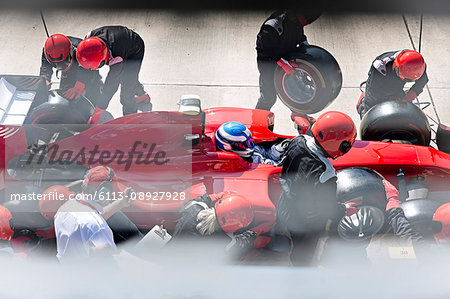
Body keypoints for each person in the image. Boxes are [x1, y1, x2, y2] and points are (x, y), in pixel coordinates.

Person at [276, 111, 357, 266]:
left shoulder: (298, 141)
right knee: (303, 255)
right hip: (305, 225)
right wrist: (343, 210)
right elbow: (326, 208)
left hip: (285, 206)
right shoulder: (325, 173)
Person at [53, 166, 136, 263]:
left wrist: (122, 203)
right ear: (103, 193)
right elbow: (108, 255)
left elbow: (92, 219)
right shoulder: (98, 227)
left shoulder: (64, 210)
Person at [171, 192, 274, 260]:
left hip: (172, 252)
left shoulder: (194, 208)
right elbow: (242, 243)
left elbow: (195, 201)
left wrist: (219, 195)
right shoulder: (225, 240)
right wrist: (257, 230)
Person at [255, 8, 322, 111]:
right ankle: (259, 122)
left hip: (288, 60)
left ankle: (300, 119)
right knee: (268, 98)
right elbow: (263, 51)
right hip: (268, 64)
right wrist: (281, 62)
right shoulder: (273, 26)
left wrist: (305, 45)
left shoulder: (296, 21)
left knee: (296, 93)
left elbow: (299, 35)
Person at [76, 26, 151, 115]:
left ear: (105, 58)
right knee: (128, 76)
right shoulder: (87, 42)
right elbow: (84, 65)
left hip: (134, 48)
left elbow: (111, 84)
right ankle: (141, 94)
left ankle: (130, 120)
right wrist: (80, 82)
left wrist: (100, 108)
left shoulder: (117, 56)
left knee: (127, 91)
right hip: (119, 41)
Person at [357, 49, 428, 118]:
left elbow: (422, 81)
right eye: (403, 78)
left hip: (396, 84)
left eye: (408, 80)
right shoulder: (380, 65)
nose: (403, 80)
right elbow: (375, 92)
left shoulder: (419, 65)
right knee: (371, 112)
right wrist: (389, 99)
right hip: (381, 80)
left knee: (401, 108)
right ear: (396, 66)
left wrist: (409, 97)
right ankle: (362, 103)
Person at [40, 34, 103, 104]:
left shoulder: (83, 50)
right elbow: (45, 67)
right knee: (66, 96)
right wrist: (45, 79)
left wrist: (81, 83)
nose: (60, 67)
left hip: (85, 64)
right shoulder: (48, 51)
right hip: (68, 71)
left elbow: (90, 67)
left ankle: (97, 83)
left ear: (71, 52)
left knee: (93, 97)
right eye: (57, 65)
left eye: (63, 63)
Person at [214, 121, 289, 165]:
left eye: (249, 141)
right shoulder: (244, 162)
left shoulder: (251, 150)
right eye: (244, 143)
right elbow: (271, 166)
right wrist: (283, 162)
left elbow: (265, 153)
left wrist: (279, 149)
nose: (249, 145)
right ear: (227, 147)